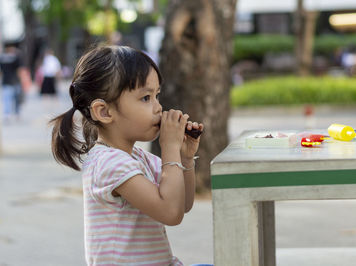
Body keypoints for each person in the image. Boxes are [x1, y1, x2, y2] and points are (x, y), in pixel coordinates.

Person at [50, 45, 204, 265]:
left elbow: (182, 204)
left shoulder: (138, 157)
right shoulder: (108, 163)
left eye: (157, 95)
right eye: (145, 98)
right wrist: (169, 149)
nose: (158, 108)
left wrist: (185, 158)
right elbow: (171, 213)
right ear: (104, 112)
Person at [0, 44, 23, 121]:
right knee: (16, 99)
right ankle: (17, 113)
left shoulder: (2, 58)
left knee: (7, 99)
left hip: (6, 81)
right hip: (15, 81)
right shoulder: (16, 58)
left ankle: (7, 114)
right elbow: (19, 70)